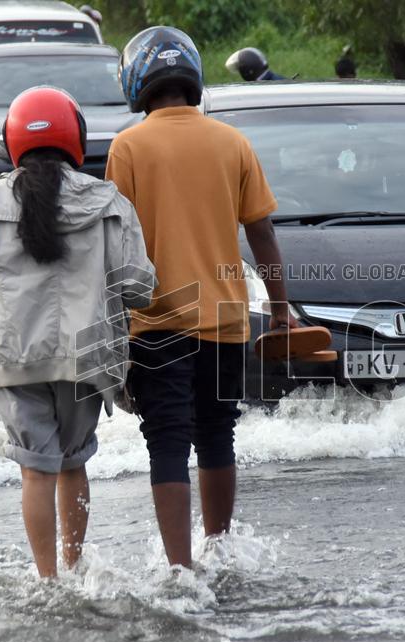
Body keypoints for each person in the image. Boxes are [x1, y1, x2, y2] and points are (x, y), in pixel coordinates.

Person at [0, 86, 155, 579]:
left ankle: (47, 580)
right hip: (87, 358)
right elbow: (139, 287)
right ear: (75, 138)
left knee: (36, 469)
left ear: (12, 140)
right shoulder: (109, 201)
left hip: (17, 357)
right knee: (72, 463)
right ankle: (74, 567)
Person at [108, 26, 296, 569]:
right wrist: (280, 310)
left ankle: (179, 569)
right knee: (216, 435)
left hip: (156, 322)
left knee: (166, 440)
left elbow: (117, 243)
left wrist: (112, 326)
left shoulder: (128, 147)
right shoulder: (232, 142)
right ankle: (218, 549)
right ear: (191, 76)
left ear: (137, 81)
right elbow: (263, 233)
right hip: (225, 320)